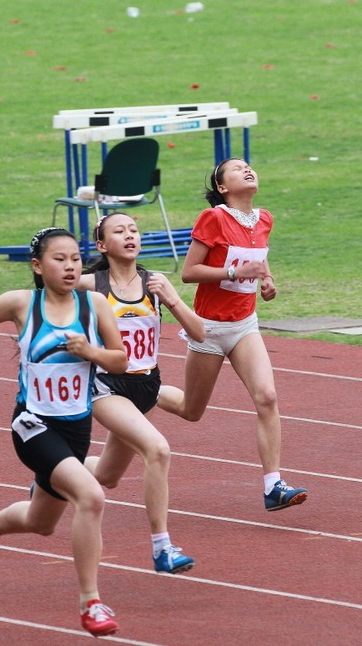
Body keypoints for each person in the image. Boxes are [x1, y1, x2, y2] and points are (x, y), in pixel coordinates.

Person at [0, 228, 128, 637]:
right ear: (37, 266)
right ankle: (91, 603)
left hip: (76, 429)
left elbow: (120, 361)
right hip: (32, 426)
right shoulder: (23, 303)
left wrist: (91, 353)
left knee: (41, 523)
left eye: (75, 258)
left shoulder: (94, 305)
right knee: (90, 496)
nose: (70, 266)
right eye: (59, 259)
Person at [156, 158, 309, 512]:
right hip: (208, 328)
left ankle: (273, 485)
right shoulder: (214, 218)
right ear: (223, 187)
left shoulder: (264, 219)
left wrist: (267, 280)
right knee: (191, 410)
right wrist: (234, 271)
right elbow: (189, 272)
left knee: (267, 397)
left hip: (244, 325)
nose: (247, 169)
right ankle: (141, 388)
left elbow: (259, 258)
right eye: (237, 169)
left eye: (249, 166)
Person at [78, 212, 206, 574]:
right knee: (157, 449)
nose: (130, 235)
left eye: (133, 230)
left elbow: (200, 334)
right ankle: (162, 548)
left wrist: (174, 300)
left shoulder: (156, 283)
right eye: (119, 231)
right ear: (102, 245)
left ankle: (52, 471)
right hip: (107, 387)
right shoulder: (91, 284)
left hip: (145, 386)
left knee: (107, 476)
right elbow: (46, 294)